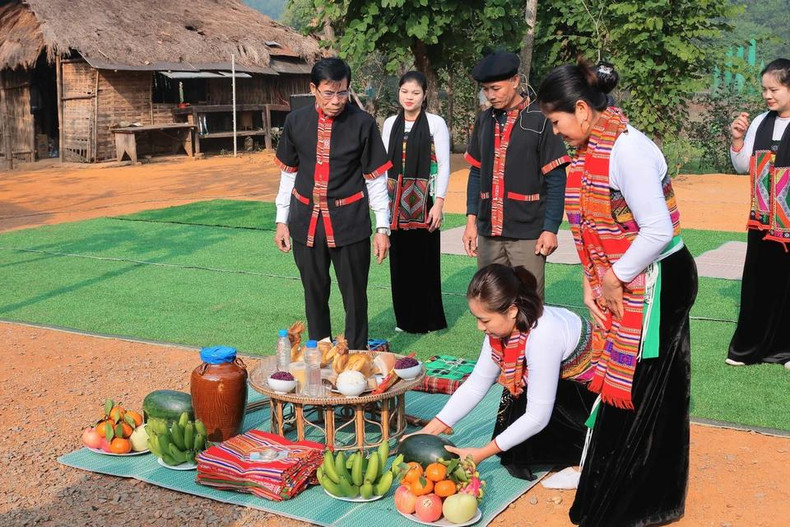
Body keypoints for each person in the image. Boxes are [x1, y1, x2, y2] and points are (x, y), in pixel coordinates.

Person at [537, 61, 698, 527]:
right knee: (636, 383)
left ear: (582, 110)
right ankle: (628, 489)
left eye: (557, 120)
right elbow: (593, 225)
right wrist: (594, 278)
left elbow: (657, 229)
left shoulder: (628, 151)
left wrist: (613, 278)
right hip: (631, 275)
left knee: (646, 388)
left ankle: (637, 502)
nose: (557, 130)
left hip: (658, 278)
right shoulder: (595, 147)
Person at [414, 264, 598, 480]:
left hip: (594, 400)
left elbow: (537, 417)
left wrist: (480, 454)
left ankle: (583, 453)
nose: (480, 327)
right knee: (513, 404)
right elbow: (476, 385)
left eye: (484, 320)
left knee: (518, 402)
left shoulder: (544, 335)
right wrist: (430, 430)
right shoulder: (504, 328)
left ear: (511, 311)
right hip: (565, 388)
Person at [274, 58, 392, 350]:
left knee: (354, 295)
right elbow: (288, 173)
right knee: (314, 291)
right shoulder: (295, 121)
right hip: (305, 221)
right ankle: (321, 354)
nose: (336, 100)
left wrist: (383, 228)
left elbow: (376, 179)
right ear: (313, 89)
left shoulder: (362, 123)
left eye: (342, 92)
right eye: (329, 93)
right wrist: (281, 220)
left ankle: (356, 355)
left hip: (349, 222)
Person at [462, 51, 570, 299]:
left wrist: (551, 228)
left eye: (496, 88)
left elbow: (556, 179)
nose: (490, 95)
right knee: (490, 299)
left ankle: (530, 340)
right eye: (486, 89)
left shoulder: (541, 118)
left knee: (528, 301)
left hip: (528, 234)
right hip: (489, 232)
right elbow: (476, 171)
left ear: (515, 81)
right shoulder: (484, 120)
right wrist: (471, 221)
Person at [727, 58, 790, 369]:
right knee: (758, 283)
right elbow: (743, 167)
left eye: (774, 89)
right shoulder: (760, 122)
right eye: (764, 89)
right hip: (762, 221)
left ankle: (786, 350)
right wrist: (738, 139)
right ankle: (749, 347)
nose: (768, 95)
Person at [381, 71, 450, 333]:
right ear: (398, 92)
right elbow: (384, 164)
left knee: (425, 259)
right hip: (395, 200)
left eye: (415, 92)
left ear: (425, 95)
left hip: (426, 200)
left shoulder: (435, 123)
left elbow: (443, 166)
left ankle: (428, 318)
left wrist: (439, 203)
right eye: (405, 92)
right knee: (400, 261)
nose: (409, 97)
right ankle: (404, 319)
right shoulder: (389, 123)